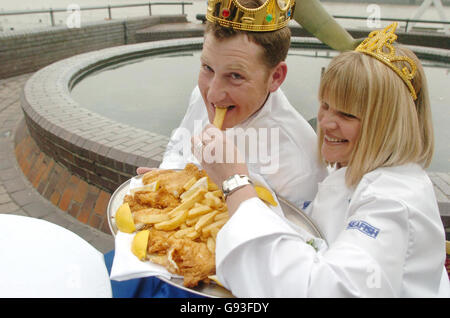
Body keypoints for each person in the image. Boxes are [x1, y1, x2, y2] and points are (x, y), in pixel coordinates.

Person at [107, 0, 358, 298]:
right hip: (154, 261)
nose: (212, 93)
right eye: (207, 68)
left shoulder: (299, 161)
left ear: (275, 77)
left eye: (235, 76)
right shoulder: (205, 94)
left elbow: (283, 270)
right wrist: (169, 177)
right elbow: (178, 147)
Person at [192, 22, 450, 297]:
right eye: (325, 105)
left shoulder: (394, 201)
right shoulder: (350, 167)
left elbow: (325, 290)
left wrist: (235, 183)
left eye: (347, 115)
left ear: (388, 125)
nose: (326, 123)